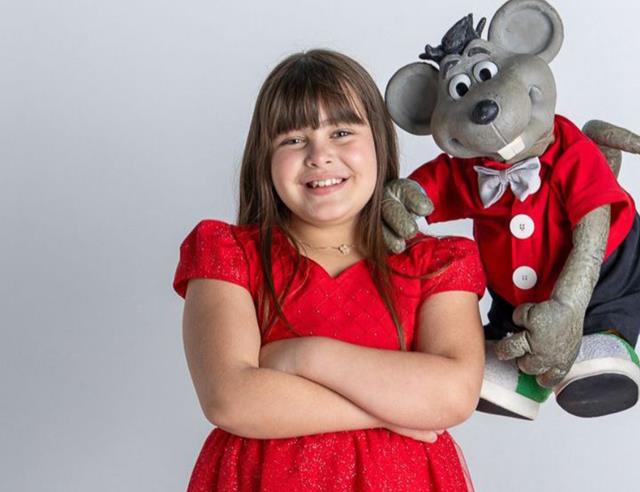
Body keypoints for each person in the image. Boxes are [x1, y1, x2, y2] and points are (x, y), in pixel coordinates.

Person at [171, 49, 487, 491]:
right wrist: (394, 410)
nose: (319, 155)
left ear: (379, 141)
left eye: (341, 132)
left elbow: (452, 395)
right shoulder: (228, 254)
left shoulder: (436, 264)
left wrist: (302, 356)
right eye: (293, 140)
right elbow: (231, 399)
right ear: (264, 157)